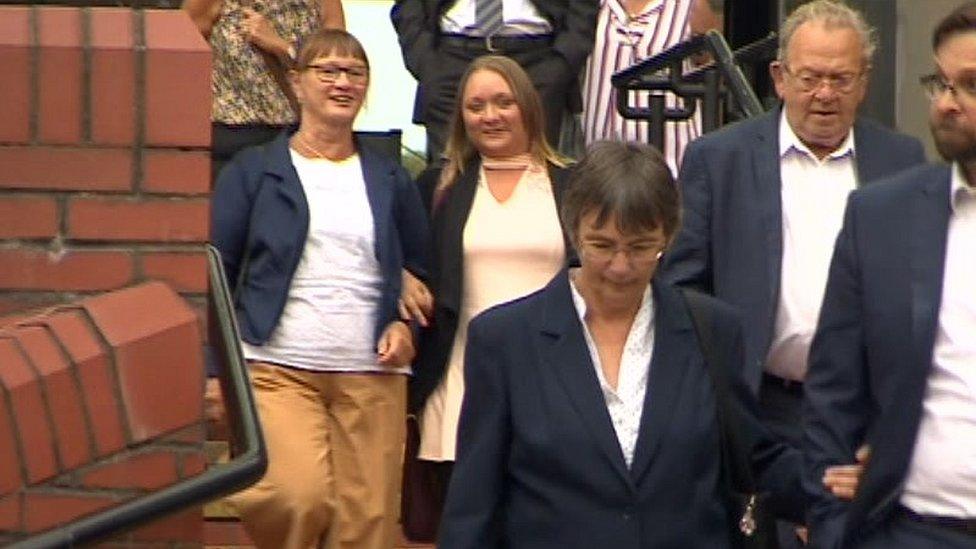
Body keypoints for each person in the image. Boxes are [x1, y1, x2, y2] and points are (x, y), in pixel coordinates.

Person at [438, 140, 807, 548]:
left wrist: (839, 480)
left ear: (669, 234)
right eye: (602, 245)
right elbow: (474, 503)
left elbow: (753, 458)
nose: (620, 266)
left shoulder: (713, 330)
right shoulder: (505, 340)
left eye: (641, 247)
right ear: (573, 229)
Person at [658, 1, 925, 544]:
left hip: (864, 416)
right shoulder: (718, 159)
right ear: (779, 77)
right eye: (810, 78)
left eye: (840, 79)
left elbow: (924, 291)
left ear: (863, 83)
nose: (824, 94)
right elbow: (682, 291)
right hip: (759, 407)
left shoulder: (903, 161)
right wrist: (717, 401)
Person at [211, 29, 429, 549]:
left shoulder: (390, 176)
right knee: (292, 496)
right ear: (297, 82)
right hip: (276, 366)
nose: (342, 82)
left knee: (367, 530)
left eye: (355, 72)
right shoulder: (255, 171)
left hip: (372, 372)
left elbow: (420, 270)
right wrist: (210, 372)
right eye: (327, 71)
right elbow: (214, 272)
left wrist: (404, 323)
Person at [803, 3, 976, 547]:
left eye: (969, 86)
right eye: (940, 83)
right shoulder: (881, 217)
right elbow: (833, 396)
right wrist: (834, 529)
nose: (947, 103)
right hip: (911, 530)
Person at [401, 55, 573, 517]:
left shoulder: (572, 184)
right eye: (476, 106)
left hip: (555, 386)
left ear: (529, 107)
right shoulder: (438, 186)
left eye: (503, 102)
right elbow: (401, 255)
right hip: (459, 385)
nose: (490, 116)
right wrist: (401, 278)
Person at [389, 0, 598, 161]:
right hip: (451, 60)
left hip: (537, 60)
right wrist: (426, 62)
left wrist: (561, 65)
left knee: (537, 178)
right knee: (450, 181)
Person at [182, 0, 345, 180]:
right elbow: (182, 49)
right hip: (232, 135)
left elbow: (335, 65)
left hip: (299, 137)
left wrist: (283, 49)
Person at [581, 0, 705, 174]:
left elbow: (710, 63)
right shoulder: (590, 5)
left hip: (672, 156)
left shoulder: (691, 5)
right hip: (601, 158)